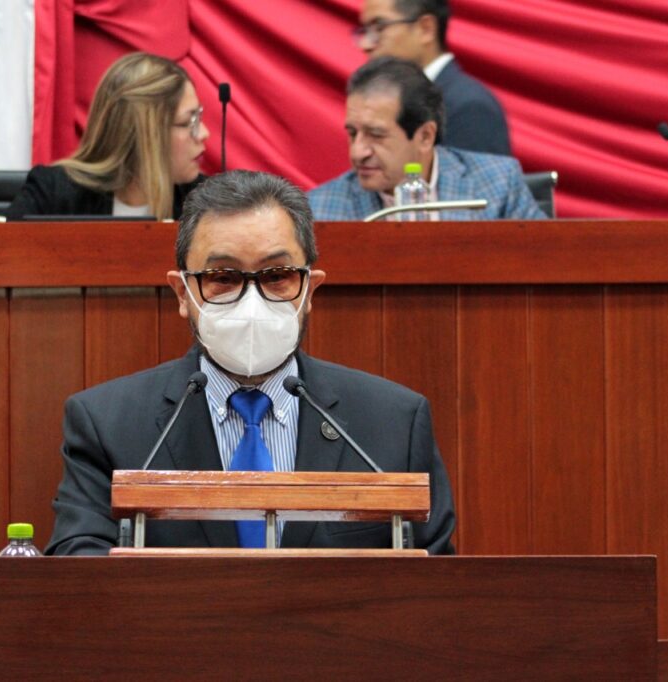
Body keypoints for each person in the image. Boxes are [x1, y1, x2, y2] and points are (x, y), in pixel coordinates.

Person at [46, 170, 456, 555]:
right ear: (183, 293)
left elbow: (436, 581)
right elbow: (83, 569)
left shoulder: (393, 422)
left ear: (309, 290)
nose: (251, 300)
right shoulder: (108, 424)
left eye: (277, 276)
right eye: (223, 278)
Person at [309, 57, 544, 221]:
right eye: (353, 133)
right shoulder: (321, 211)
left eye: (376, 135)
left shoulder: (498, 184)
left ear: (425, 136)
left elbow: (547, 264)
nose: (357, 152)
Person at [6, 52, 208, 221]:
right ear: (143, 134)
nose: (204, 133)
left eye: (198, 117)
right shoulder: (51, 194)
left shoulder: (207, 203)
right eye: (187, 122)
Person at [355, 0, 510, 156]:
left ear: (426, 29)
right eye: (365, 31)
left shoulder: (469, 107)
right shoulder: (398, 101)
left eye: (379, 27)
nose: (365, 44)